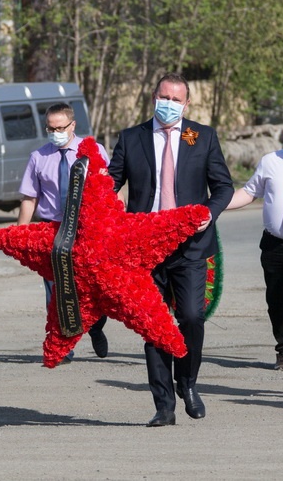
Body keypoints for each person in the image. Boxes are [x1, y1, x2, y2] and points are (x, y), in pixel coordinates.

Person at [108, 73, 234, 427]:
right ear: (153, 96)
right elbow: (111, 182)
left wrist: (209, 212)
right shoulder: (131, 138)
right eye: (164, 96)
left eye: (176, 99)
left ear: (187, 103)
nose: (169, 104)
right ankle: (163, 405)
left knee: (192, 317)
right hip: (144, 247)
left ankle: (188, 381)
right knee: (153, 325)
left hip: (191, 245)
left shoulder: (202, 137)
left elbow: (223, 186)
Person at [226, 112, 283, 372]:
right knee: (276, 299)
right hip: (273, 243)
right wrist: (217, 206)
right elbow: (249, 192)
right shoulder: (270, 162)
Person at [18, 103, 110, 360]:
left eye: (60, 127)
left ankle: (95, 326)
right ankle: (64, 341)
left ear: (72, 125)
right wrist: (20, 233)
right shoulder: (39, 157)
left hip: (86, 230)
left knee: (93, 288)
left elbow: (108, 189)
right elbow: (29, 198)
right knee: (56, 288)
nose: (55, 132)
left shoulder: (93, 151)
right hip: (52, 230)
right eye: (51, 128)